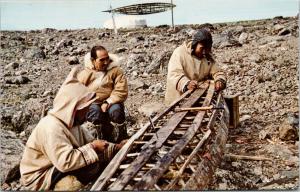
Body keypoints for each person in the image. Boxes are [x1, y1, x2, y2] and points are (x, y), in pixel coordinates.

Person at [19, 69, 126, 191]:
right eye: (84, 108)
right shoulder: (52, 127)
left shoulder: (72, 123)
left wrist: (117, 147)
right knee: (77, 179)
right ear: (73, 108)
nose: (87, 112)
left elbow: (90, 142)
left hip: (55, 164)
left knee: (93, 164)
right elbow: (65, 162)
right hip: (40, 176)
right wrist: (93, 147)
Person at [76, 45, 128, 143]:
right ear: (93, 60)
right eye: (101, 60)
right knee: (95, 113)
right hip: (92, 103)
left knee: (116, 111)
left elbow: (121, 90)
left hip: (112, 101)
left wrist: (108, 102)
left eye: (107, 59)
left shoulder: (116, 71)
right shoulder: (85, 74)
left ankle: (121, 138)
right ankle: (97, 141)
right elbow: (77, 92)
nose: (106, 62)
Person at [165, 28, 227, 105]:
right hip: (178, 99)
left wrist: (219, 80)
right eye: (201, 48)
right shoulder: (180, 53)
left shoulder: (207, 56)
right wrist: (186, 84)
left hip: (197, 97)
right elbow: (174, 74)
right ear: (195, 44)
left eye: (207, 49)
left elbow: (217, 71)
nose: (204, 52)